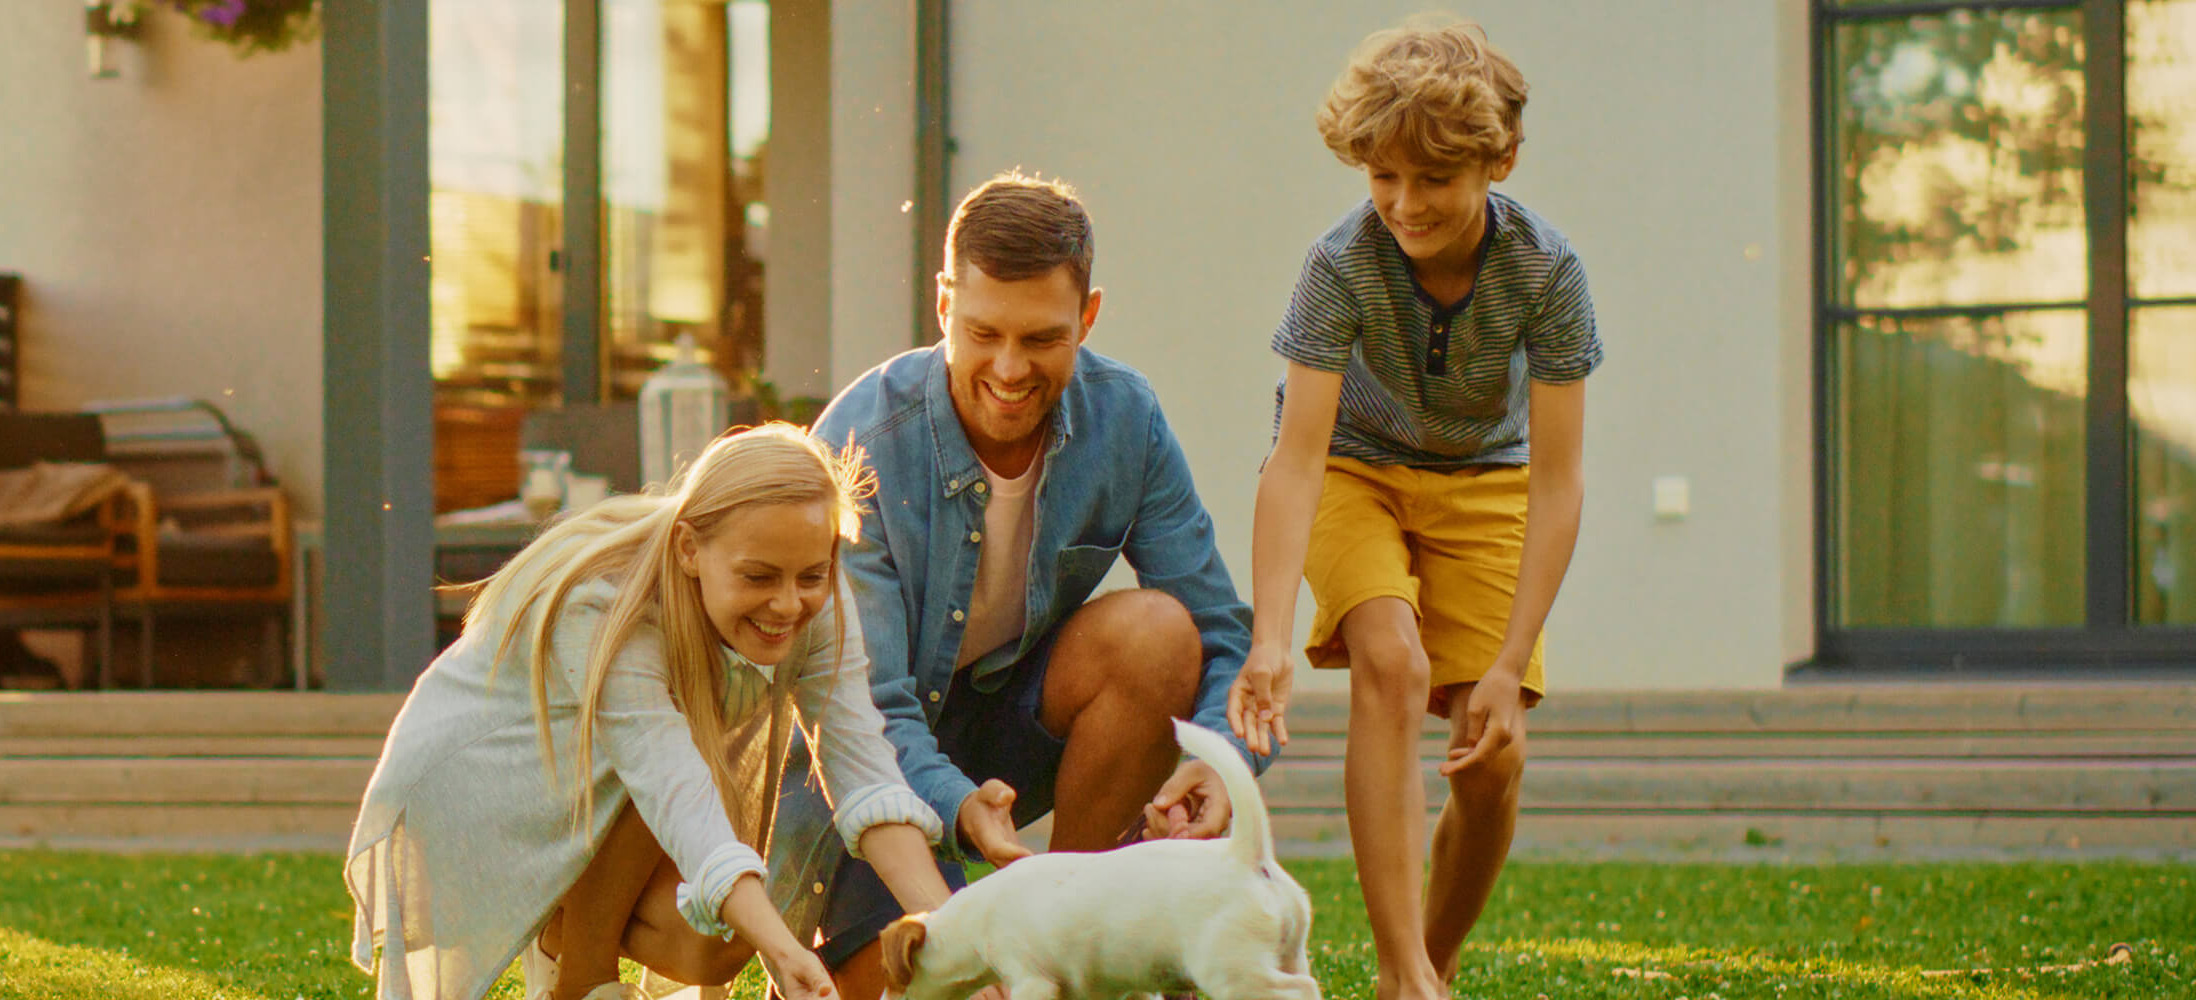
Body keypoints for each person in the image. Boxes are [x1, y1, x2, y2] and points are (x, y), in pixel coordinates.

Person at [798, 170, 1272, 999]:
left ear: (1088, 318)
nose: (1009, 369)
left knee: (1159, 632)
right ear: (944, 306)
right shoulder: (859, 444)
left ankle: (1074, 936)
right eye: (983, 333)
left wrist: (1221, 761)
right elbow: (864, 714)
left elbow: (1219, 629)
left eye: (1042, 339)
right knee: (924, 984)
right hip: (862, 766)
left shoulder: (1126, 419)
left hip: (1008, 727)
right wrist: (952, 803)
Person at [1222, 18, 1600, 1000]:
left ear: (1499, 159)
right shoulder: (1341, 263)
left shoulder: (1547, 270)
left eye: (1432, 179)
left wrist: (1511, 664)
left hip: (1488, 481)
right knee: (1390, 659)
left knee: (1489, 761)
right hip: (1355, 467)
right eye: (1382, 176)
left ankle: (1427, 962)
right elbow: (1296, 459)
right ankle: (1403, 971)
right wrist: (1269, 636)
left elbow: (1558, 481)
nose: (1403, 203)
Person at [348, 425, 952, 1000]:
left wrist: (951, 930)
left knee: (723, 940)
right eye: (759, 576)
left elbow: (866, 774)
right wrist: (790, 954)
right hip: (482, 789)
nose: (789, 602)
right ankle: (581, 981)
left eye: (811, 576)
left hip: (605, 789)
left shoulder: (809, 584)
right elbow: (670, 787)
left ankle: (563, 928)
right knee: (679, 786)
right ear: (690, 548)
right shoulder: (608, 606)